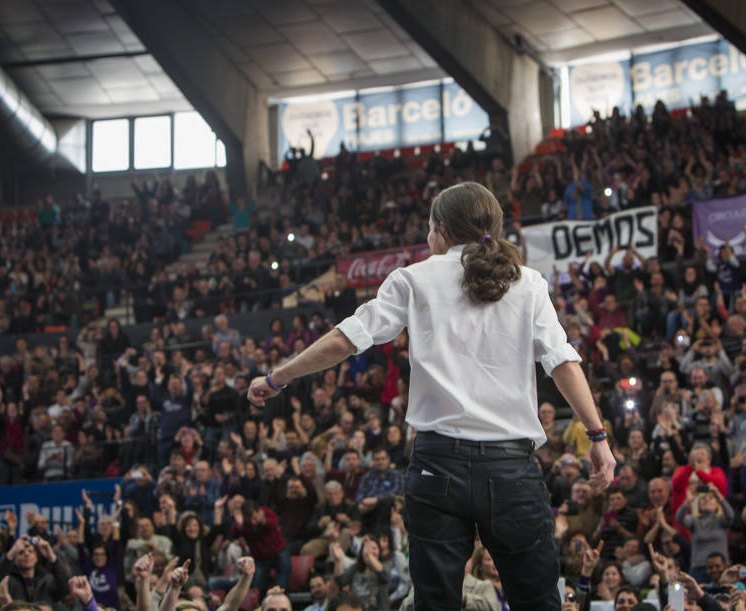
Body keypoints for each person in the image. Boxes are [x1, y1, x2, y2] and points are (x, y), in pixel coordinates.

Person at [248, 182, 615, 610]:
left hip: (438, 467)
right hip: (511, 470)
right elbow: (563, 363)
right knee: (537, 599)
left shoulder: (414, 279)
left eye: (428, 227)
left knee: (435, 603)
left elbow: (346, 339)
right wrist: (597, 436)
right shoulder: (528, 283)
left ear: (441, 228)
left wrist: (277, 378)